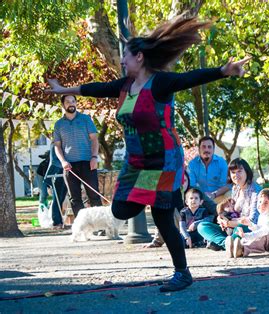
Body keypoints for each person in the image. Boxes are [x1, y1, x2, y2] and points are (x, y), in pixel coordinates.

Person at [46, 15, 250, 292]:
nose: (121, 62)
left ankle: (182, 272)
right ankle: (157, 201)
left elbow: (188, 78)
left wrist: (222, 71)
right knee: (119, 208)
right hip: (136, 160)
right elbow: (94, 89)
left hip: (164, 158)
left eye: (125, 57)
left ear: (139, 57)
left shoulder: (160, 83)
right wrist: (62, 89)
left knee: (163, 217)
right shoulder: (124, 86)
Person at [52, 95, 102, 217]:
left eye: (73, 101)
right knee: (75, 199)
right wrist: (63, 161)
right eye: (68, 102)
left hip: (88, 163)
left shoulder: (85, 119)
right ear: (63, 105)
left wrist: (94, 157)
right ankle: (83, 227)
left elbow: (95, 140)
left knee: (94, 195)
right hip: (69, 166)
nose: (71, 104)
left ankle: (100, 226)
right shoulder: (58, 124)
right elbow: (57, 146)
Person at [197, 158, 261, 251]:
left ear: (247, 172)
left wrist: (229, 223)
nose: (236, 175)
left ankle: (224, 244)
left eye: (239, 171)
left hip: (247, 229)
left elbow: (253, 221)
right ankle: (227, 244)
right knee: (202, 226)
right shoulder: (236, 188)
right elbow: (231, 211)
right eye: (233, 172)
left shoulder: (256, 190)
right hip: (231, 228)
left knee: (240, 228)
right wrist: (222, 218)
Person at [232, 189, 269, 258]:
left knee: (260, 239)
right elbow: (259, 228)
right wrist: (250, 224)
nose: (261, 205)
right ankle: (234, 247)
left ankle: (242, 249)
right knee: (248, 239)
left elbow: (262, 232)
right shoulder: (262, 216)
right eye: (260, 202)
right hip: (267, 239)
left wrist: (245, 235)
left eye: (266, 203)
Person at [188, 136, 229, 202]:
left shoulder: (221, 162)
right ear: (199, 149)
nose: (206, 150)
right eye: (203, 147)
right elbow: (192, 186)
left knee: (230, 194)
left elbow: (225, 185)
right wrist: (202, 195)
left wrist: (214, 194)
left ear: (213, 149)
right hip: (200, 198)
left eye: (209, 147)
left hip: (218, 195)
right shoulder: (192, 164)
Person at [44, 144, 69, 228]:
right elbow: (54, 161)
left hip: (66, 173)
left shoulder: (64, 143)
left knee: (61, 198)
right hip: (57, 174)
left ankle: (59, 221)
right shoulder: (55, 145)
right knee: (58, 198)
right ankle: (56, 221)